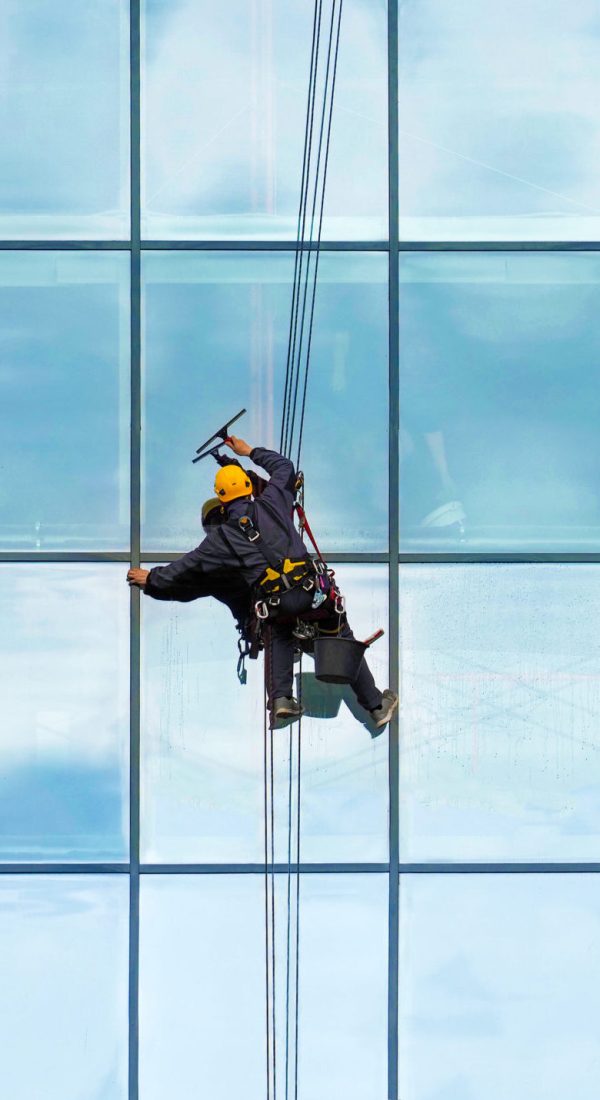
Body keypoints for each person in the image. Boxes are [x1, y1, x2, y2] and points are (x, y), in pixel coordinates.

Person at [128, 437, 398, 729]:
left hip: (276, 605)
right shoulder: (274, 501)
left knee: (278, 631)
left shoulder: (218, 541)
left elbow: (186, 567)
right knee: (340, 634)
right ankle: (376, 705)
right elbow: (284, 467)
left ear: (221, 499)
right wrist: (248, 452)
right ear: (248, 488)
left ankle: (281, 699)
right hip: (312, 595)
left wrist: (152, 578)